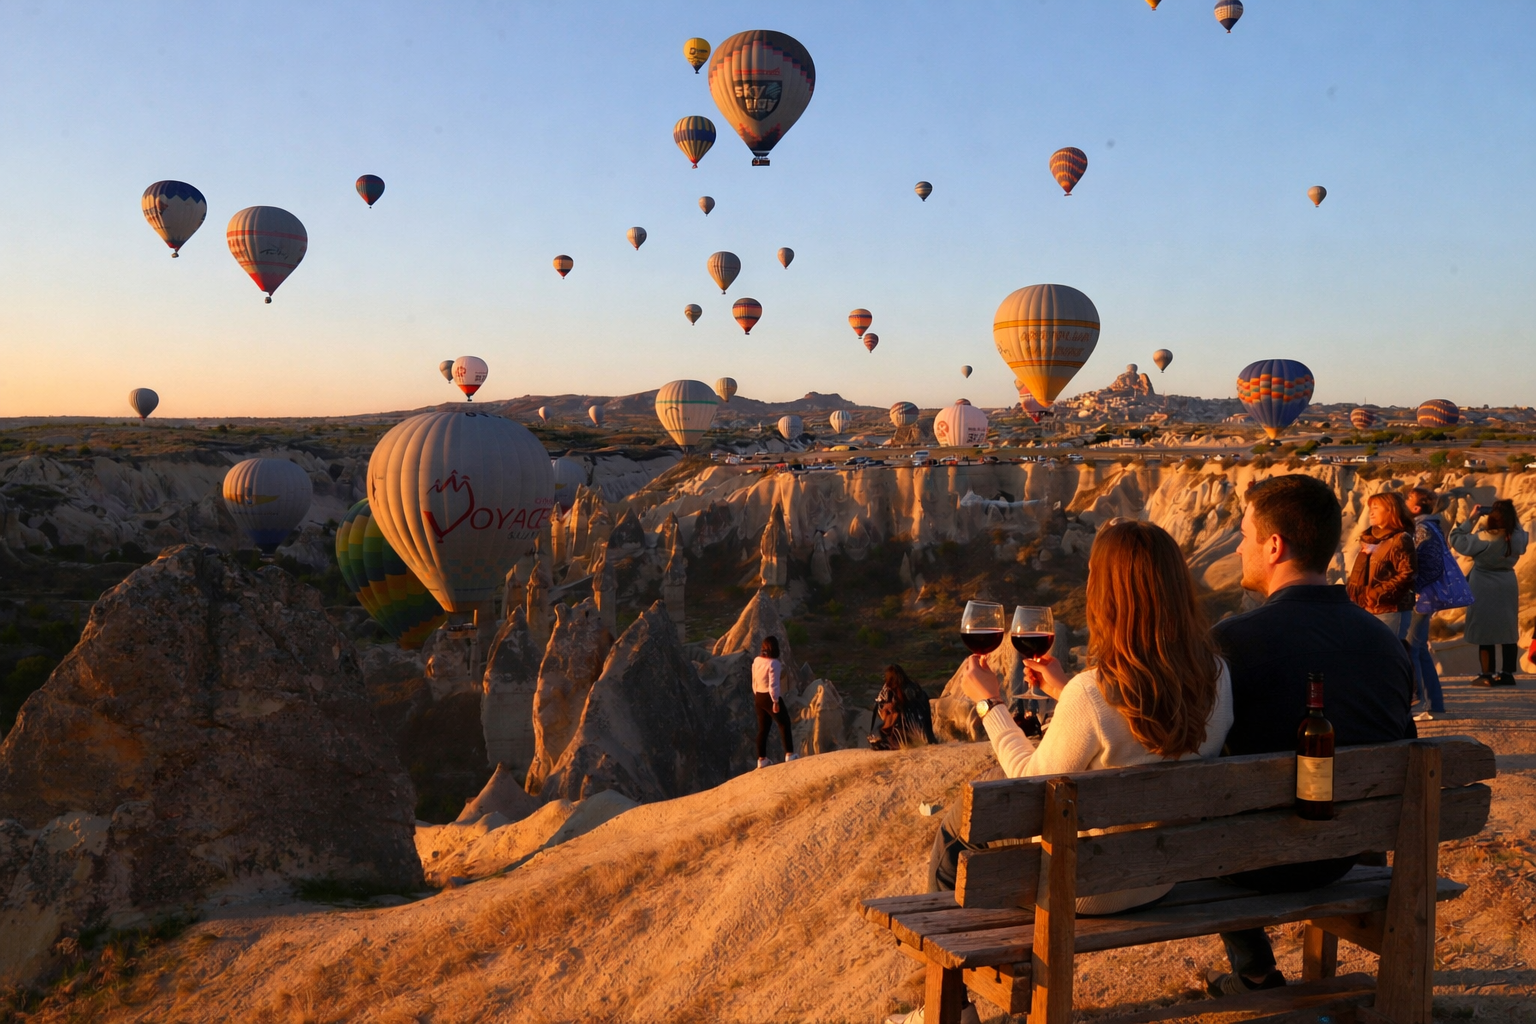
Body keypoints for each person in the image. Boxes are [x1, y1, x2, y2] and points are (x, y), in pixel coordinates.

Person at [897, 522, 1233, 1024]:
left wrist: (991, 705)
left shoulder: (1093, 692)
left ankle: (950, 1006)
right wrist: (1064, 691)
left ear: (1107, 596)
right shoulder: (1217, 675)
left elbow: (1028, 779)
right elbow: (1140, 735)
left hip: (1089, 887)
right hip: (1160, 877)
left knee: (954, 827)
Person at [1208, 475, 1414, 996]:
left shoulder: (1230, 642)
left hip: (1251, 863)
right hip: (1350, 852)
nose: (1237, 544)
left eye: (1244, 534)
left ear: (1274, 546)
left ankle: (1255, 971)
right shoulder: (1385, 643)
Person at [1450, 498, 1529, 687]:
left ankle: (1486, 675)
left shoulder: (1484, 537)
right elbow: (1518, 532)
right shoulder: (1518, 537)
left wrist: (1472, 518)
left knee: (1485, 629)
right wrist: (1511, 518)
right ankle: (1507, 674)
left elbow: (1456, 538)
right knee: (1507, 628)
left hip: (1483, 584)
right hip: (1507, 583)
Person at [1346, 491, 1417, 643]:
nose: (1371, 511)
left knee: (1388, 655)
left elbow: (1408, 573)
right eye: (1371, 507)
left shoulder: (1400, 539)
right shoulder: (1371, 539)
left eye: (1376, 507)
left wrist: (1375, 594)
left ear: (1391, 510)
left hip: (1389, 610)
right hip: (1366, 608)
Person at [1405, 487, 1450, 718]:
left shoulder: (1422, 528)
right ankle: (1434, 704)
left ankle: (1419, 702)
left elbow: (1428, 565)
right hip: (1425, 595)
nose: (1404, 502)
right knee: (1420, 649)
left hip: (1419, 597)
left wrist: (1417, 589)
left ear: (1416, 507)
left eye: (1407, 500)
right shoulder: (1431, 526)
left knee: (1412, 649)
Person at [752, 637, 797, 768]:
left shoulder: (757, 661)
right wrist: (775, 701)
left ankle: (762, 759)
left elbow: (754, 680)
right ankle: (789, 754)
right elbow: (774, 685)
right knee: (784, 723)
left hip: (758, 696)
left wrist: (756, 694)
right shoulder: (774, 664)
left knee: (763, 729)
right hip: (769, 696)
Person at [869, 665, 937, 749]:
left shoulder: (909, 690)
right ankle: (890, 738)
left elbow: (911, 705)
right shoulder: (891, 689)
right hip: (912, 728)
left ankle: (894, 741)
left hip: (912, 727)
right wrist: (888, 707)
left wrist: (894, 706)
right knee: (890, 714)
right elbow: (881, 704)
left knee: (895, 714)